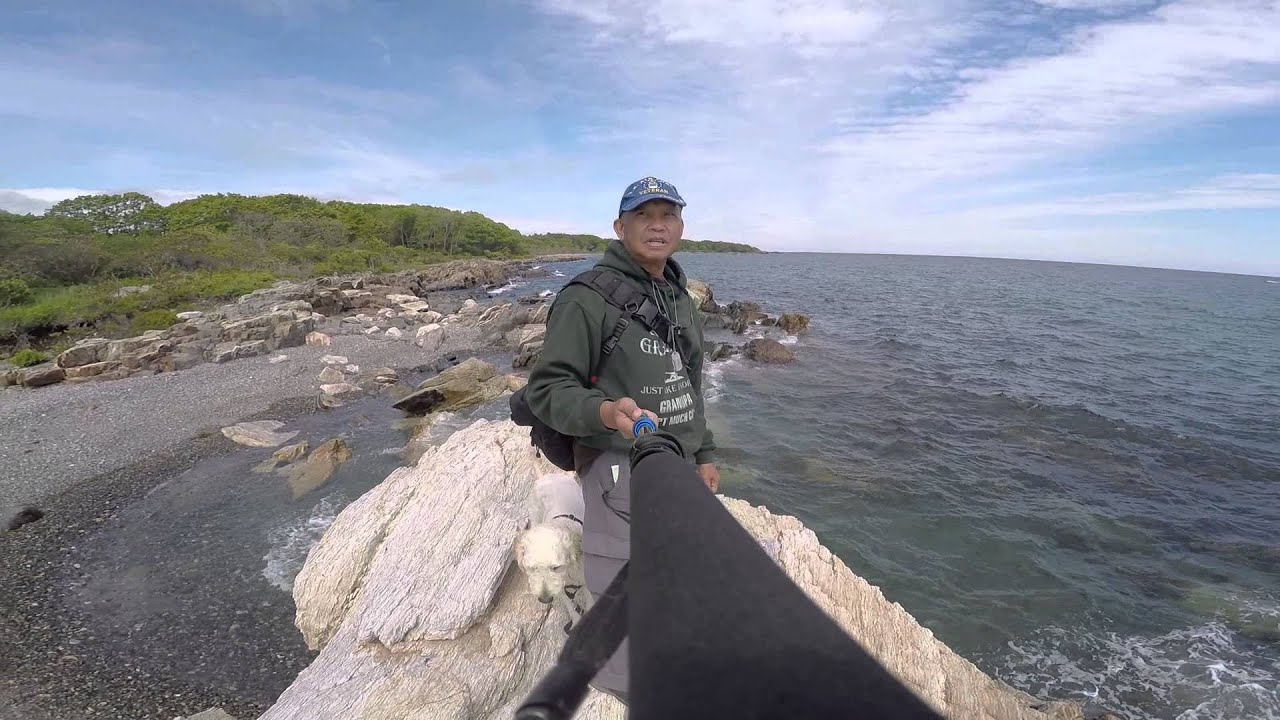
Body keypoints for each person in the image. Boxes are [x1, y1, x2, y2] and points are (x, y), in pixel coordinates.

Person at [523, 176, 718, 703]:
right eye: (643, 215)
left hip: (674, 462)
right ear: (619, 226)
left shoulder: (678, 297)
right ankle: (623, 689)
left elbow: (688, 382)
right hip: (617, 464)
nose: (657, 225)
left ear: (680, 227)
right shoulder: (587, 298)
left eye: (668, 215)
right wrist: (608, 413)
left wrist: (703, 452)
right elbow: (547, 388)